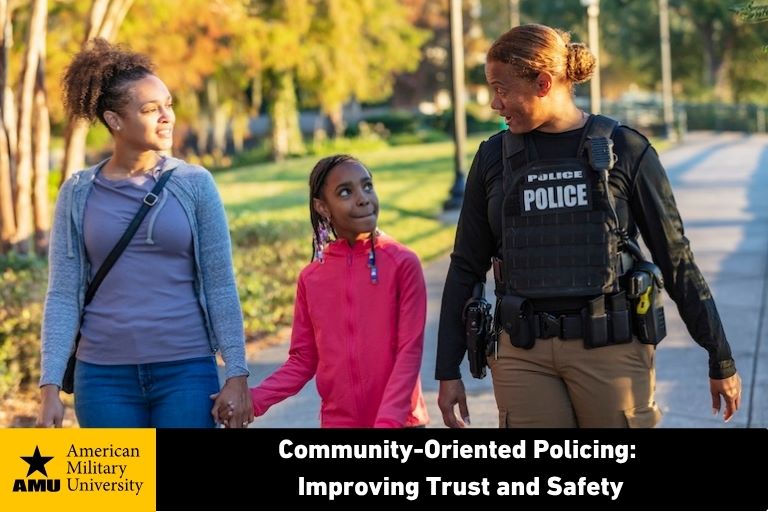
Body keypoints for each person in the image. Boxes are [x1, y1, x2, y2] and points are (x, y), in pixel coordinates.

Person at [435, 24, 742, 428]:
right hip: (522, 354)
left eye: (501, 89)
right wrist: (448, 370)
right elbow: (466, 265)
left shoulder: (625, 149)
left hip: (610, 346)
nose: (495, 103)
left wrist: (719, 355)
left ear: (543, 83)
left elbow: (675, 258)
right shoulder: (493, 157)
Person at [36, 39, 252, 428]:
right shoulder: (78, 192)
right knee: (123, 473)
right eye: (151, 109)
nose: (167, 117)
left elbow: (220, 283)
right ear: (115, 120)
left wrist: (237, 374)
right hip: (103, 378)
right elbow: (63, 294)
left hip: (186, 370)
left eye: (168, 105)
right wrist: (49, 386)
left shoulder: (194, 183)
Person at [217, 154, 429, 427]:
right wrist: (251, 400)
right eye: (345, 192)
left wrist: (388, 422)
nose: (363, 198)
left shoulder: (402, 263)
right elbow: (302, 361)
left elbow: (408, 353)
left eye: (367, 186)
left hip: (401, 422)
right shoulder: (312, 278)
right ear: (322, 207)